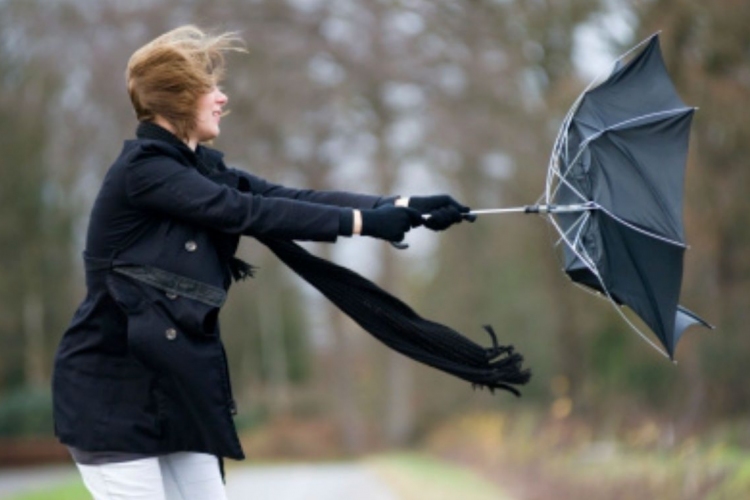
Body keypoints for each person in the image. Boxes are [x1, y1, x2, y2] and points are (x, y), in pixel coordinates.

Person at [52, 25, 472, 500]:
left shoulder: (198, 167)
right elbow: (246, 212)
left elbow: (284, 196)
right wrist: (363, 223)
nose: (222, 98)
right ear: (178, 98)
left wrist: (401, 204)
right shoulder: (144, 172)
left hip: (175, 393)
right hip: (113, 397)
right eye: (210, 88)